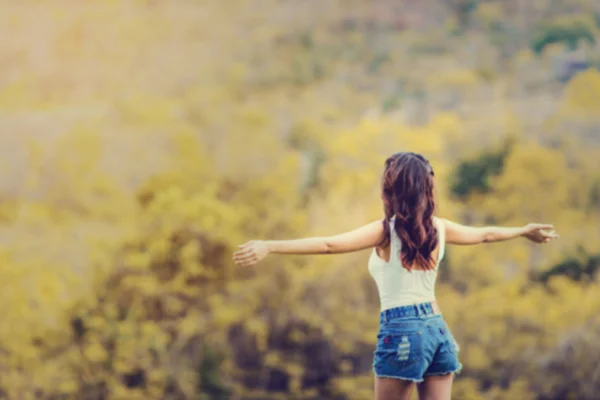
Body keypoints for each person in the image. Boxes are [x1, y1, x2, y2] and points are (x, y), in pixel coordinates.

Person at [233, 151, 559, 400]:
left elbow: (329, 245)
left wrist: (270, 245)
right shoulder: (440, 229)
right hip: (437, 329)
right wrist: (523, 231)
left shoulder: (385, 232)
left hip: (402, 329)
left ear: (390, 188)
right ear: (427, 189)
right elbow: (485, 234)